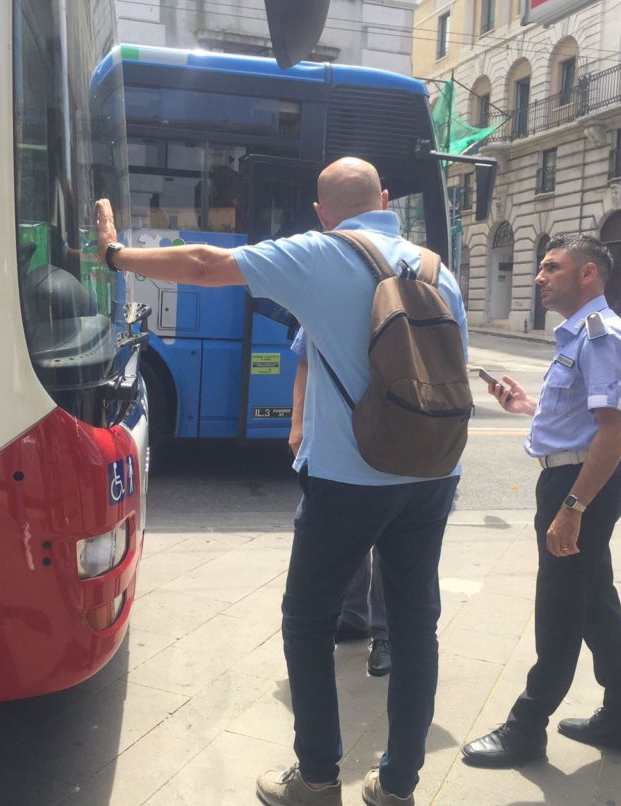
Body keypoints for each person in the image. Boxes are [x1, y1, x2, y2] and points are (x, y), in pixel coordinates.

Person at [94, 156, 468, 806]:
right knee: (414, 627)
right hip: (435, 470)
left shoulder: (322, 253)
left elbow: (208, 265)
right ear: (385, 198)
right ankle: (398, 785)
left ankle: (318, 776)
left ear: (324, 213)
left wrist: (115, 255)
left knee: (308, 619)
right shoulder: (438, 269)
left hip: (352, 477)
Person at [461, 234, 621, 768]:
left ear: (587, 274)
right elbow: (580, 417)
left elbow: (613, 432)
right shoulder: (577, 337)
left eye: (551, 268)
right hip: (575, 479)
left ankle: (526, 727)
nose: (539, 277)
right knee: (594, 600)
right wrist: (526, 405)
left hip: (582, 485)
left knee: (560, 605)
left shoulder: (602, 335)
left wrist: (573, 508)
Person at [290, 327, 390, 677]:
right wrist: (297, 421)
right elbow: (305, 358)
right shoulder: (327, 281)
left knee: (387, 534)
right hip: (336, 435)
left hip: (397, 430)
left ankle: (385, 632)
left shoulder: (419, 285)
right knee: (346, 529)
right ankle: (353, 616)